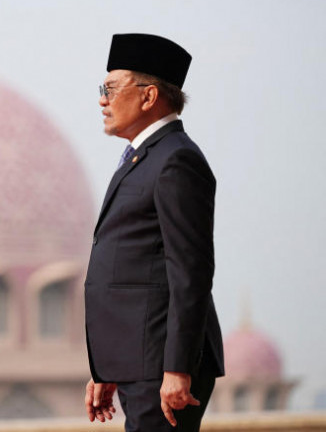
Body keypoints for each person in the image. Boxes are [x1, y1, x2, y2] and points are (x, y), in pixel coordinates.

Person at [83, 34, 224, 432]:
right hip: (139, 361)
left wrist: (178, 368)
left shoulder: (175, 160)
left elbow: (189, 273)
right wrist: (107, 365)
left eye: (110, 89)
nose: (102, 101)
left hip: (162, 365)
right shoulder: (142, 158)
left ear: (148, 97)